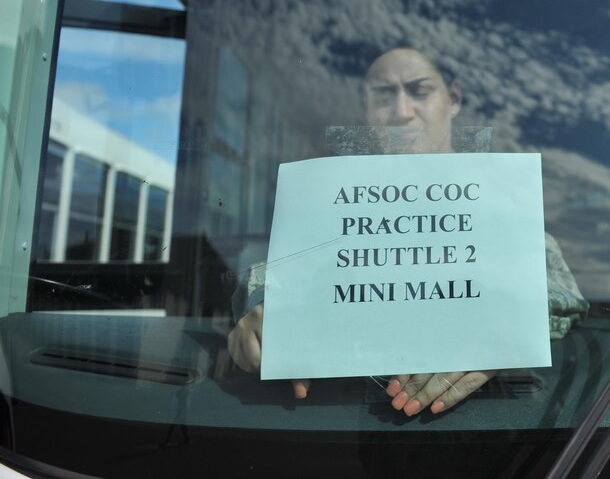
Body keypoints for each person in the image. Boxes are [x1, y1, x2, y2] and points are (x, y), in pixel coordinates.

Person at [227, 47, 588, 416]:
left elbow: (563, 294)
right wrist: (263, 317)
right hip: (341, 423)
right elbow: (283, 271)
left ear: (454, 99)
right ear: (367, 109)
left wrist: (502, 317)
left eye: (420, 91)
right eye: (384, 96)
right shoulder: (335, 209)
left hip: (501, 426)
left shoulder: (502, 208)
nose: (401, 112)